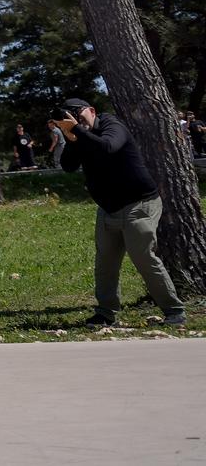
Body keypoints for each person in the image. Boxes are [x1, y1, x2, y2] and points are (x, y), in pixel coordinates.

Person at [53, 98, 187, 327]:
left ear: (92, 111)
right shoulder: (80, 136)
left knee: (143, 257)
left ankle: (174, 311)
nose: (75, 118)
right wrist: (71, 137)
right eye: (69, 115)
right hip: (108, 210)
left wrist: (75, 129)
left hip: (139, 205)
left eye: (78, 113)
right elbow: (68, 166)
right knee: (105, 264)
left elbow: (107, 147)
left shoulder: (112, 125)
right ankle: (106, 314)